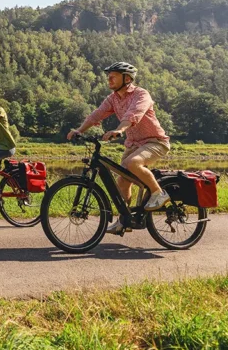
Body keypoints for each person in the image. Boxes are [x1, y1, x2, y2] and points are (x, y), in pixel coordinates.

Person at [67, 62, 171, 234]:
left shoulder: (141, 94)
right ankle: (125, 220)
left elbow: (134, 114)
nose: (109, 79)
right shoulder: (113, 98)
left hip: (155, 141)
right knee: (122, 182)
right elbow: (97, 114)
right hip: (133, 144)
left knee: (133, 163)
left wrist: (119, 130)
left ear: (127, 78)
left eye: (113, 76)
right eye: (108, 76)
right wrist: (79, 130)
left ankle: (158, 193)